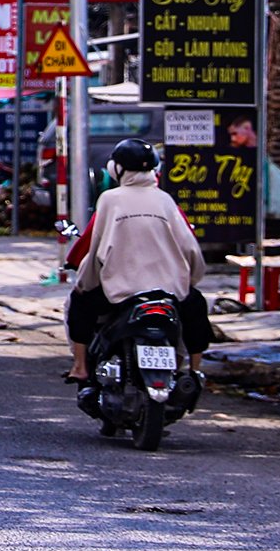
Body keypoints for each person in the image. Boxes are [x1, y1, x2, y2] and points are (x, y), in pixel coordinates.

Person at [63, 139, 218, 384]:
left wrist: (85, 282)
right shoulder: (165, 200)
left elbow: (96, 251)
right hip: (170, 292)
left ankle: (80, 366)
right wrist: (190, 282)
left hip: (121, 292)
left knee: (79, 302)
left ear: (115, 169)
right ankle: (194, 371)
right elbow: (190, 248)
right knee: (196, 307)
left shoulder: (110, 199)